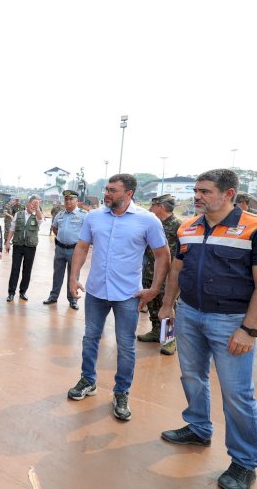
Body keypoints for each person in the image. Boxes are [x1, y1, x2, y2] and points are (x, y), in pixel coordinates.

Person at [158, 169, 257, 489]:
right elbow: (177, 270)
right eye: (196, 190)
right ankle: (198, 428)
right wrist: (168, 305)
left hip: (231, 321)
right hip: (189, 314)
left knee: (237, 393)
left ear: (228, 194)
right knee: (191, 376)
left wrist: (249, 330)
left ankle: (244, 462)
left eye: (205, 191)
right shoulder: (188, 226)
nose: (197, 196)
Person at [67, 174, 170, 422]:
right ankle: (88, 380)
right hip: (96, 291)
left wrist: (154, 289)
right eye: (106, 189)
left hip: (128, 295)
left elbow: (162, 255)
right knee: (90, 337)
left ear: (129, 194)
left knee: (125, 345)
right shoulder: (94, 217)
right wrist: (73, 277)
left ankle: (121, 392)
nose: (107, 194)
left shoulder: (147, 220)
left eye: (113, 190)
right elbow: (82, 247)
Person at [136, 194, 182, 355]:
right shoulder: (153, 223)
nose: (150, 209)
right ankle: (156, 331)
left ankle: (169, 340)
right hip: (150, 270)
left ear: (161, 207)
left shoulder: (178, 226)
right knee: (153, 303)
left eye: (153, 206)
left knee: (167, 306)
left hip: (169, 277)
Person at [43, 189, 87, 310]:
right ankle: (53, 296)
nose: (67, 201)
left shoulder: (84, 215)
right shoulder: (60, 214)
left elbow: (88, 234)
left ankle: (72, 299)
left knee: (73, 275)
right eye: (66, 199)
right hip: (60, 249)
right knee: (57, 274)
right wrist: (63, 238)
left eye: (70, 199)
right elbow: (55, 228)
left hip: (75, 251)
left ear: (76, 200)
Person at [5, 195, 44, 301]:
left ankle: (23, 292)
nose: (34, 205)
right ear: (28, 203)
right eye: (33, 203)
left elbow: (40, 219)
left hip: (30, 247)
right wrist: (8, 242)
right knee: (15, 269)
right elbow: (12, 229)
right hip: (18, 245)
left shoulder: (38, 215)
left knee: (27, 270)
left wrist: (37, 208)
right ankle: (11, 293)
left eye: (37, 203)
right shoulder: (18, 214)